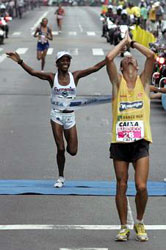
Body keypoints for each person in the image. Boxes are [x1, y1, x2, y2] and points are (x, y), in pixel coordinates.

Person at [6, 50, 106, 188]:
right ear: (57, 63)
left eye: (67, 60)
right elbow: (33, 72)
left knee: (72, 151)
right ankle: (60, 176)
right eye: (62, 60)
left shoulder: (75, 76)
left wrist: (109, 59)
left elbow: (94, 68)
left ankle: (63, 164)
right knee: (60, 148)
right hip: (56, 116)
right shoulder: (51, 77)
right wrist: (20, 61)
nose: (65, 63)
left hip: (70, 117)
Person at [106, 32, 155, 241]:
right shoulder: (118, 84)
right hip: (120, 141)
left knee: (141, 186)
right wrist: (122, 43)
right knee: (122, 184)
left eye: (132, 58)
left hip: (140, 141)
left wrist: (133, 43)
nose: (129, 58)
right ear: (123, 67)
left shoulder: (144, 82)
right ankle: (123, 226)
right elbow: (109, 59)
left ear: (136, 66)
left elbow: (151, 57)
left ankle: (140, 222)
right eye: (126, 59)